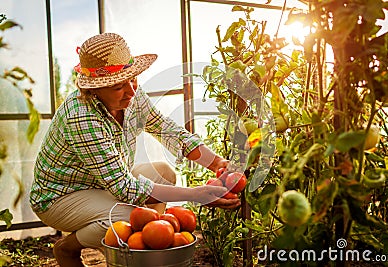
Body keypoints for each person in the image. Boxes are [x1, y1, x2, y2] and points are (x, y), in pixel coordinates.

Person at [29, 32, 240, 266]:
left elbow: (168, 130)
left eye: (133, 79)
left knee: (163, 172)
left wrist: (216, 163)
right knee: (126, 218)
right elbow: (124, 188)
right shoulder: (81, 116)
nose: (131, 91)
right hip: (61, 197)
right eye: (119, 86)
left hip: (103, 184)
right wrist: (196, 195)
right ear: (94, 89)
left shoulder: (132, 96)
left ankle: (144, 247)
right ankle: (68, 248)